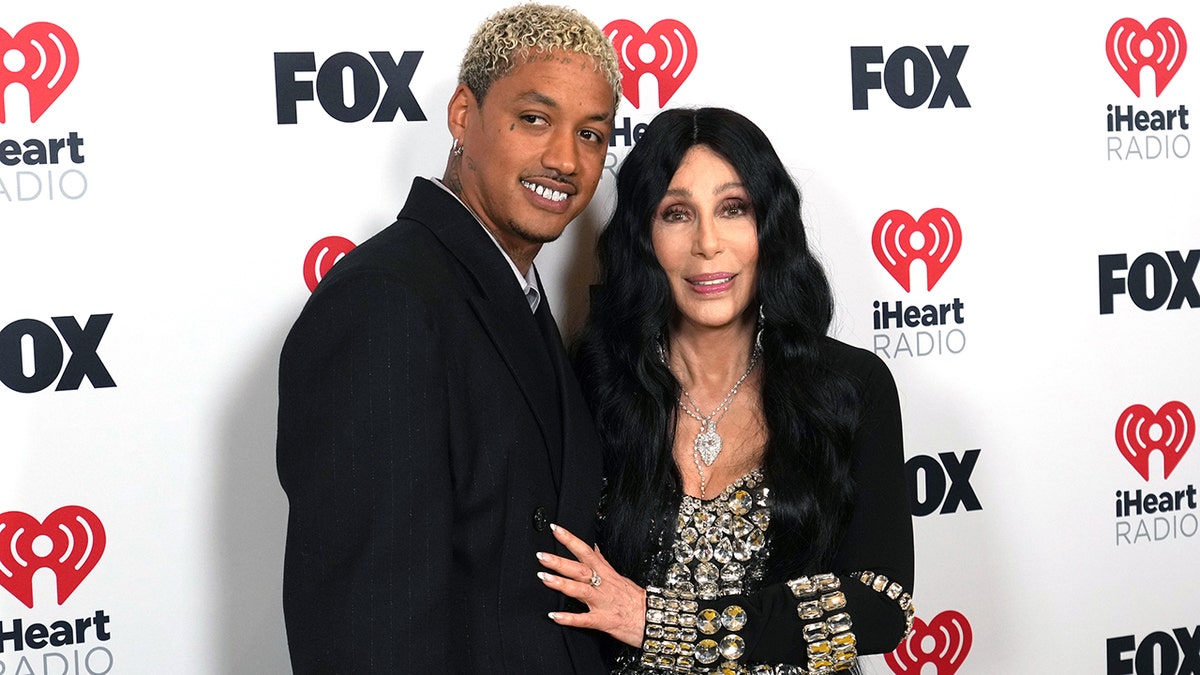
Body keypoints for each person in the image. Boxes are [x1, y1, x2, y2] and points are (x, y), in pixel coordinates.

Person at [275, 4, 622, 673]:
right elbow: (365, 628)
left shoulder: (507, 290)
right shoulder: (386, 301)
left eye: (592, 134)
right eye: (535, 119)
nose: (565, 159)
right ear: (464, 116)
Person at [536, 107, 915, 674]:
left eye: (733, 209)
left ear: (769, 227)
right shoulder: (595, 388)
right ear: (644, 238)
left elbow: (882, 607)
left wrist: (658, 622)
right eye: (677, 214)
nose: (707, 243)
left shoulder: (847, 388)